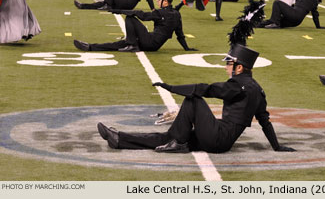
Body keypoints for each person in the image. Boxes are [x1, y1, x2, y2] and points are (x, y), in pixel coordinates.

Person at [97, 44, 296, 153]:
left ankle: (179, 142)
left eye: (229, 64)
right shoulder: (258, 90)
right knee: (170, 137)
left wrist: (172, 87)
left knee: (194, 99)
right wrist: (277, 147)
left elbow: (206, 90)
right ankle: (119, 139)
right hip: (221, 138)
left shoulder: (238, 86)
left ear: (239, 67)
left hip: (218, 138)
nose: (225, 67)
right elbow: (265, 121)